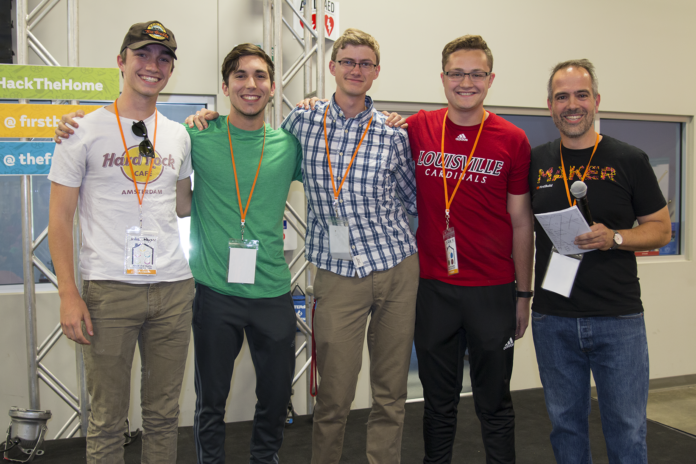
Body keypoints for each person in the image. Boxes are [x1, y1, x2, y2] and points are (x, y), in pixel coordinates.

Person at [55, 43, 303, 464]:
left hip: (270, 290)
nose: (251, 84)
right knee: (207, 403)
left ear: (273, 86)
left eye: (260, 76)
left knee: (275, 397)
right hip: (211, 291)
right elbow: (170, 192)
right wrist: (67, 124)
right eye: (241, 76)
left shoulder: (288, 144)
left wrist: (378, 118)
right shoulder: (196, 136)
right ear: (225, 86)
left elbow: (334, 159)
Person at [187, 28, 418, 464]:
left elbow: (413, 198)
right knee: (331, 394)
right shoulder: (301, 123)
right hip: (328, 272)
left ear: (376, 72)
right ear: (331, 68)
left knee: (387, 392)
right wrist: (201, 117)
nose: (355, 69)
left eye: (364, 63)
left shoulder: (391, 133)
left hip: (390, 266)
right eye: (346, 61)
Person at [48, 21, 194, 464]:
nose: (153, 65)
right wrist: (68, 293)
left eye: (163, 58)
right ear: (121, 61)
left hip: (173, 288)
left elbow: (185, 206)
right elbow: (60, 217)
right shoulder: (81, 131)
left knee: (163, 416)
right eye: (143, 55)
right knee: (108, 419)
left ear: (171, 69)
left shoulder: (179, 135)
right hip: (108, 289)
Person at [529, 59, 671, 464]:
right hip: (553, 319)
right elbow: (522, 232)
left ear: (596, 101)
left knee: (626, 428)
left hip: (618, 320)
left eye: (581, 95)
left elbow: (661, 229)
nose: (571, 104)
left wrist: (617, 237)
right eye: (561, 97)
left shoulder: (629, 159)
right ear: (550, 105)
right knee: (565, 426)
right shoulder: (537, 161)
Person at [405, 35, 534, 464]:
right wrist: (316, 106)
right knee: (437, 404)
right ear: (442, 78)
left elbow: (521, 222)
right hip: (434, 289)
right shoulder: (418, 127)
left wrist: (523, 294)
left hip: (493, 291)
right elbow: (358, 124)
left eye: (476, 73)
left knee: (494, 403)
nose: (466, 82)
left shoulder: (512, 139)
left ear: (491, 79)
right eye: (457, 73)